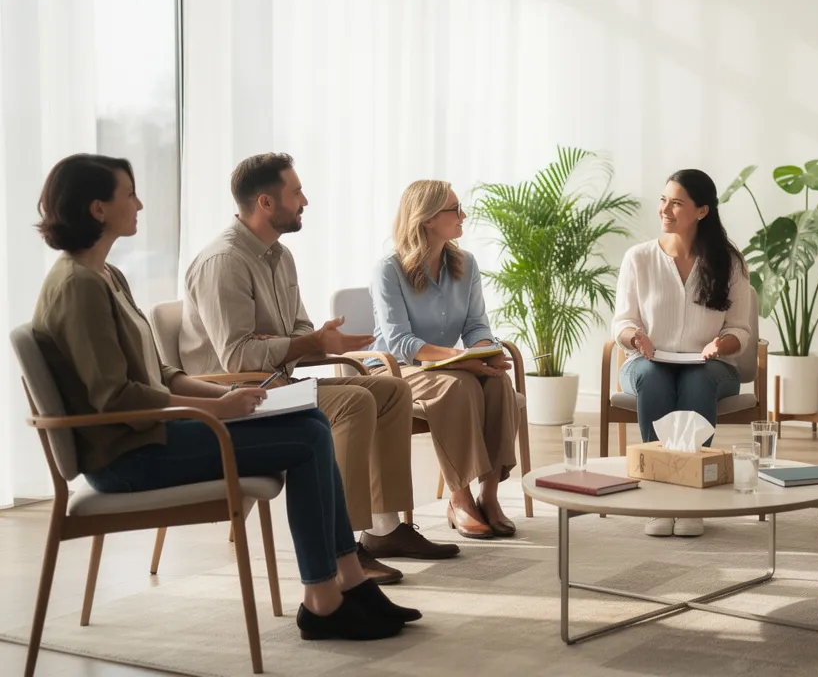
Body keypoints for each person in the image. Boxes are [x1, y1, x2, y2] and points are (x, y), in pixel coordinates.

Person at [30, 154, 420, 640]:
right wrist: (217, 406)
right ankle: (325, 598)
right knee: (308, 437)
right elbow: (116, 398)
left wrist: (233, 398)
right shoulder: (78, 286)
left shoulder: (106, 275)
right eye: (129, 194)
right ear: (98, 208)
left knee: (313, 425)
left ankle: (346, 583)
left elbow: (161, 373)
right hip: (127, 457)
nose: (140, 204)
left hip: (150, 436)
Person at [180, 153, 458, 585]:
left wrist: (302, 343)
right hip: (237, 399)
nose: (305, 201)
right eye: (296, 193)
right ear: (266, 203)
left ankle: (384, 529)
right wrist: (304, 343)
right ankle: (341, 545)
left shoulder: (280, 256)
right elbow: (237, 358)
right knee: (353, 400)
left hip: (278, 382)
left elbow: (299, 330)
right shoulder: (224, 262)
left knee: (391, 389)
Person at [368, 180, 521, 540]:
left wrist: (484, 351)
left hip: (447, 365)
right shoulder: (389, 269)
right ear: (427, 219)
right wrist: (460, 359)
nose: (463, 215)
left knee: (498, 382)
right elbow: (401, 342)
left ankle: (489, 497)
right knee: (460, 386)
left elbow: (476, 325)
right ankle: (459, 498)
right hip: (395, 369)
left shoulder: (465, 263)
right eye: (455, 209)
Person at [611, 169, 753, 538]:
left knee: (696, 381)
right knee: (654, 378)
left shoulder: (730, 262)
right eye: (663, 200)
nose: (665, 209)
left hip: (711, 367)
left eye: (676, 203)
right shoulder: (639, 258)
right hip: (646, 363)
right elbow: (622, 322)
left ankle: (691, 497)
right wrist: (635, 337)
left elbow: (741, 330)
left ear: (702, 211)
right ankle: (659, 496)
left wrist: (721, 344)